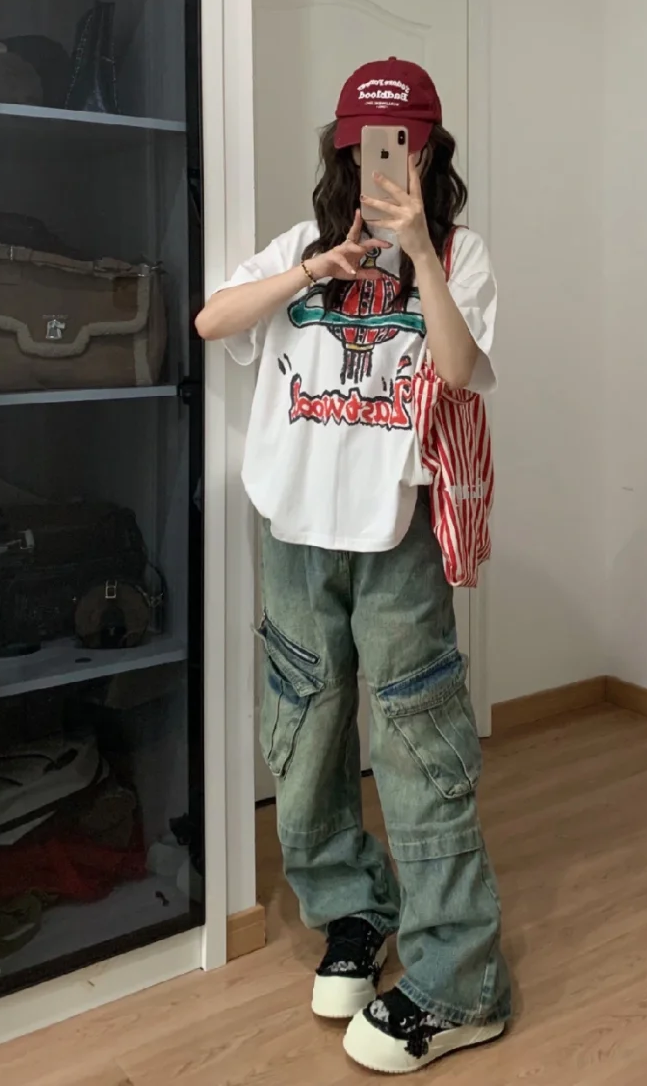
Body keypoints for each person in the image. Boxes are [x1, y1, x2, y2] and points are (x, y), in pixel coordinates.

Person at [196, 58, 510, 1074]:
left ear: (428, 154)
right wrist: (310, 273)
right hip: (293, 536)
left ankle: (462, 980)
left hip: (396, 538)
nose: (384, 166)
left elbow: (458, 372)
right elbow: (211, 322)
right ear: (343, 155)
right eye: (368, 150)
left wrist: (416, 249)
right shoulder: (299, 247)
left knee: (419, 749)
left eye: (402, 148)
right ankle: (353, 911)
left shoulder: (459, 255)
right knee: (304, 736)